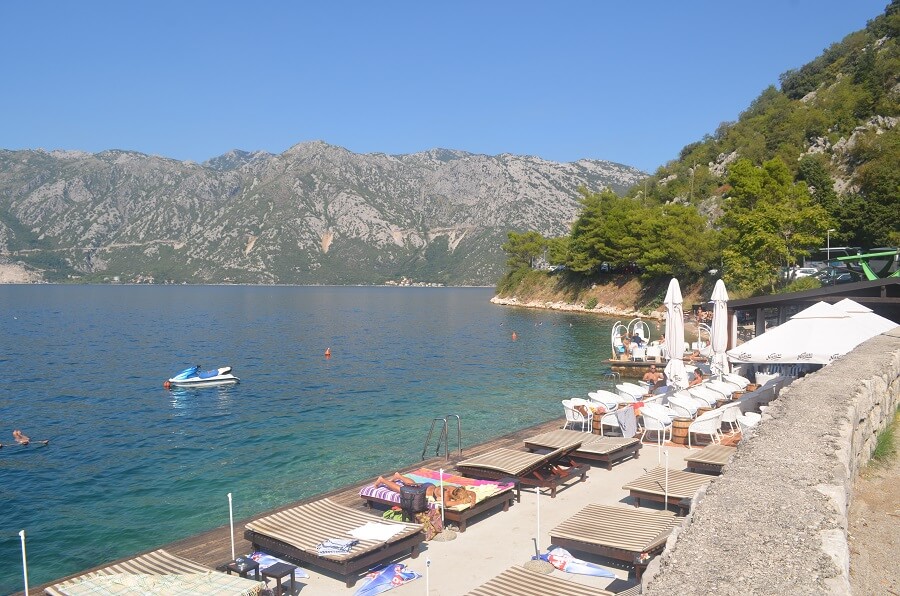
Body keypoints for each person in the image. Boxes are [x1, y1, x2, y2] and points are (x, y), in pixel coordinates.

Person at [374, 472, 477, 508]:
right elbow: (447, 504)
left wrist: (473, 500)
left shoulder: (457, 489)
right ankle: (382, 480)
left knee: (411, 483)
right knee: (402, 489)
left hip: (429, 486)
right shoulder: (446, 493)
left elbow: (472, 493)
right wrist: (462, 501)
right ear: (455, 496)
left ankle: (398, 476)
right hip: (424, 489)